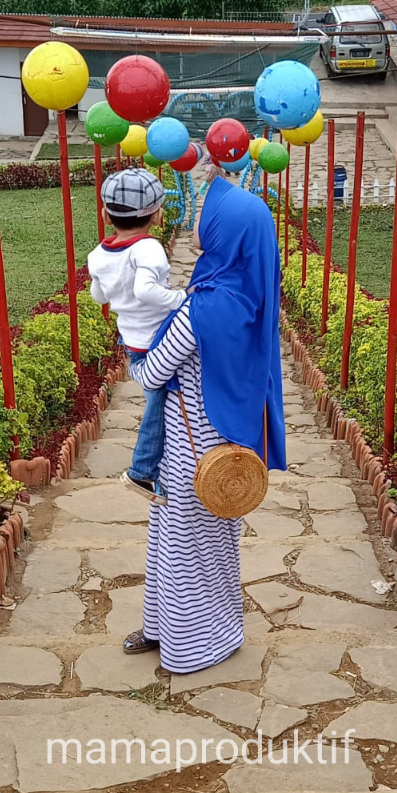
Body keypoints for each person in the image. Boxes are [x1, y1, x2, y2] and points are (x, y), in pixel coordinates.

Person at [122, 177, 286, 674]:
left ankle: (191, 648)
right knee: (209, 547)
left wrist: (130, 348)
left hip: (189, 450)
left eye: (205, 211)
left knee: (182, 550)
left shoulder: (201, 308)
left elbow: (152, 373)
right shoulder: (249, 296)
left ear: (222, 231)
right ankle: (171, 629)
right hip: (227, 447)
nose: (195, 218)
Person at [87, 168, 193, 505]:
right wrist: (181, 299)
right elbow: (145, 290)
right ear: (158, 214)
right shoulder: (147, 249)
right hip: (158, 341)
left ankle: (159, 469)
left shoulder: (98, 255)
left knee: (159, 402)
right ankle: (142, 471)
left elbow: (99, 297)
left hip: (131, 341)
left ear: (105, 215)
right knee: (159, 406)